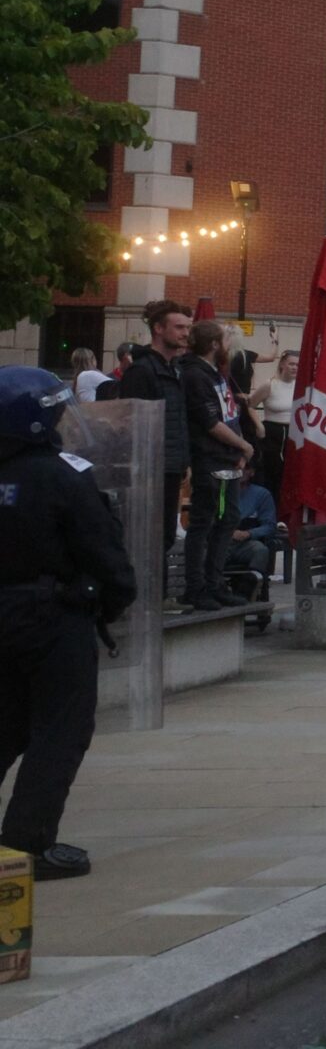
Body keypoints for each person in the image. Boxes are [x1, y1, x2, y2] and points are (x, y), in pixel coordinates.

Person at [0, 366, 139, 880]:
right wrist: (112, 601)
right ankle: (27, 844)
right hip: (52, 617)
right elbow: (104, 552)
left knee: (5, 724)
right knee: (60, 731)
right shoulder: (62, 474)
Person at [180, 321, 256, 612]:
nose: (228, 344)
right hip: (209, 459)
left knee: (227, 520)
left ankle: (215, 582)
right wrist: (242, 444)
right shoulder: (195, 375)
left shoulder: (215, 374)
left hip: (226, 458)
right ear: (213, 344)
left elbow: (230, 414)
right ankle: (197, 587)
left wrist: (239, 449)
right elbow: (210, 422)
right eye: (224, 339)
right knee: (206, 522)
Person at [113, 299, 195, 570]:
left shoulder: (176, 368)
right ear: (159, 329)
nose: (185, 333)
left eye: (187, 327)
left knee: (165, 535)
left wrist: (183, 460)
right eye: (179, 327)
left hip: (171, 464)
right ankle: (145, 598)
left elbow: (178, 418)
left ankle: (157, 597)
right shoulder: (142, 370)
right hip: (148, 468)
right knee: (149, 535)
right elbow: (131, 422)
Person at [249, 349, 298, 496]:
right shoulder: (269, 385)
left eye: (298, 365)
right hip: (272, 433)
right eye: (291, 364)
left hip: (294, 434)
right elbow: (250, 405)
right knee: (273, 474)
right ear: (282, 364)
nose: (295, 368)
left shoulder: (301, 386)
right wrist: (259, 425)